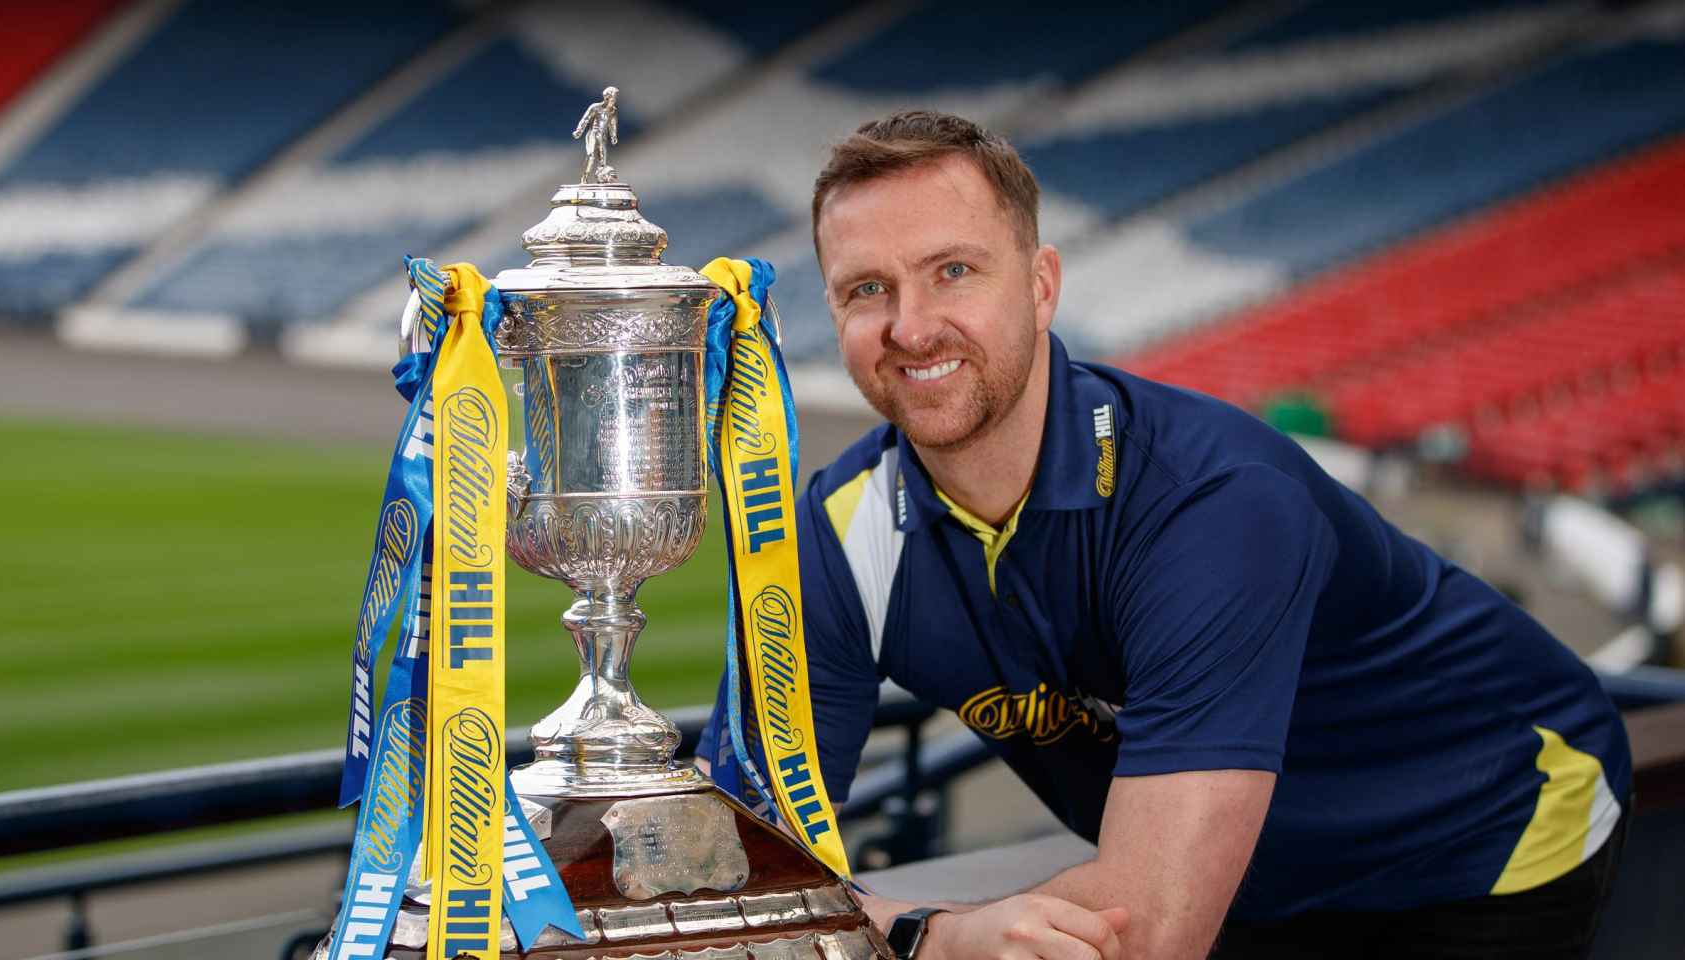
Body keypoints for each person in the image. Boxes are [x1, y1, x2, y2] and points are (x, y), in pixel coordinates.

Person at [696, 111, 1630, 960]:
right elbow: (730, 862)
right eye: (867, 289)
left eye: (953, 271)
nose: (911, 324)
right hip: (1245, 873)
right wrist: (928, 936)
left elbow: (1145, 931)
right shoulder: (838, 530)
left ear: (1041, 284)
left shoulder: (1213, 504)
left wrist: (916, 937)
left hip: (1479, 832)